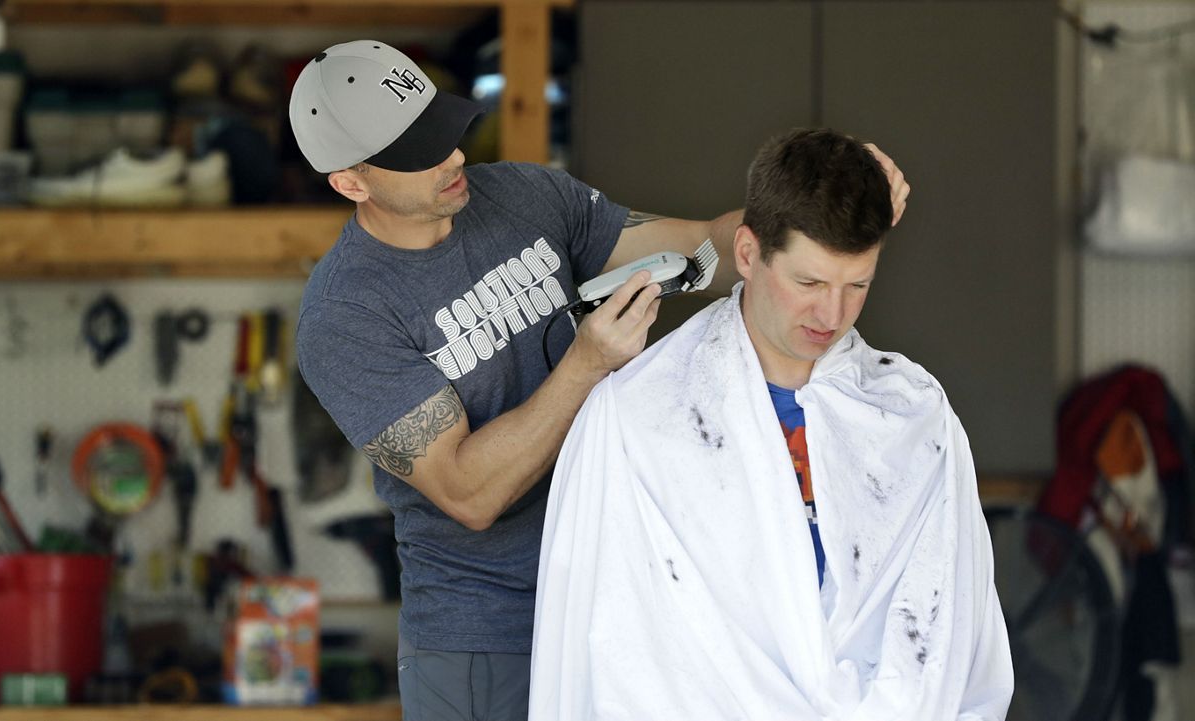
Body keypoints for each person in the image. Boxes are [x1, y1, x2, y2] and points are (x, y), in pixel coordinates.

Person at [289, 41, 909, 720]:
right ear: (352, 182)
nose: (454, 158)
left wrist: (825, 206)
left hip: (615, 602)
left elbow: (708, 244)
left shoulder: (525, 196)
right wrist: (586, 365)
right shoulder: (345, 315)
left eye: (446, 131)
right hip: (488, 641)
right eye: (419, 152)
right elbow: (468, 491)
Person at [529, 128, 1011, 720]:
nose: (831, 313)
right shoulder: (641, 415)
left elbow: (954, 633)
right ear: (748, 254)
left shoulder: (912, 414)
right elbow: (614, 658)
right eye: (808, 283)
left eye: (857, 285)